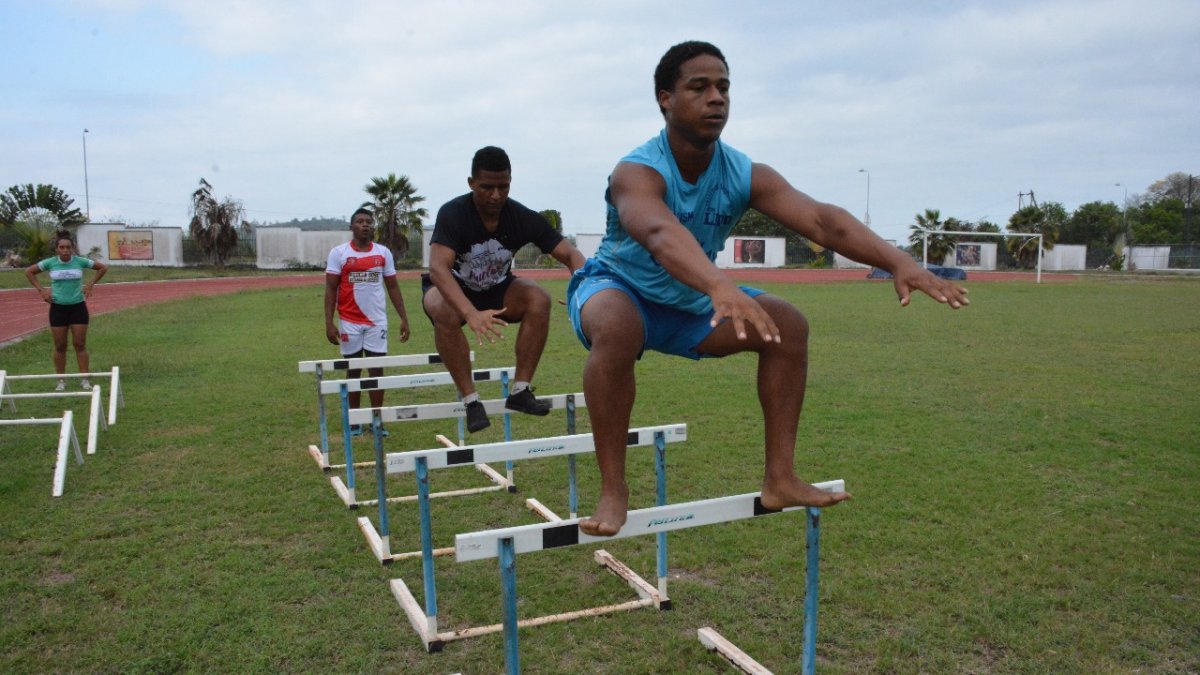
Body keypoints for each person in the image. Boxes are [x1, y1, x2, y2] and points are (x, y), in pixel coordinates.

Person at [567, 41, 970, 536]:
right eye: (699, 87)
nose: (717, 97)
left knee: (787, 325)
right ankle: (614, 490)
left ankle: (780, 477)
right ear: (665, 99)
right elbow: (657, 231)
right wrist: (719, 284)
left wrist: (899, 260)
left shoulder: (744, 173)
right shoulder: (637, 170)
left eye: (724, 87)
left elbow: (821, 220)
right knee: (616, 324)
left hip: (689, 304)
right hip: (618, 288)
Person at [423, 146, 586, 433]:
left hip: (498, 287)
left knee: (538, 298)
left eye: (503, 187)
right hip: (453, 287)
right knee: (444, 311)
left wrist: (583, 294)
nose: (496, 195)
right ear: (471, 183)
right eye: (487, 187)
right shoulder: (453, 213)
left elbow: (571, 255)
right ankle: (471, 401)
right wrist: (470, 313)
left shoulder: (521, 217)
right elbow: (438, 268)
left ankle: (521, 391)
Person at [325, 208, 411, 435]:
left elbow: (393, 286)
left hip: (376, 322)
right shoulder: (339, 253)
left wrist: (404, 318)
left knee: (376, 372)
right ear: (351, 227)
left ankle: (376, 420)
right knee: (353, 371)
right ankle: (354, 421)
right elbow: (331, 288)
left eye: (368, 222)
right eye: (360, 221)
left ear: (373, 227)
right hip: (349, 321)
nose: (365, 225)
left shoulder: (383, 253)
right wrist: (329, 322)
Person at [24, 231, 109, 391]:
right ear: (57, 249)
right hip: (58, 308)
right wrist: (41, 290)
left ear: (72, 248)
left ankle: (85, 380)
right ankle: (61, 381)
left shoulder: (80, 261)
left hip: (78, 307)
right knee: (60, 345)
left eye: (68, 247)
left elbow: (102, 268)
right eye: (62, 247)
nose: (65, 250)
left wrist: (90, 284)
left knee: (80, 344)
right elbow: (29, 271)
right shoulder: (50, 263)